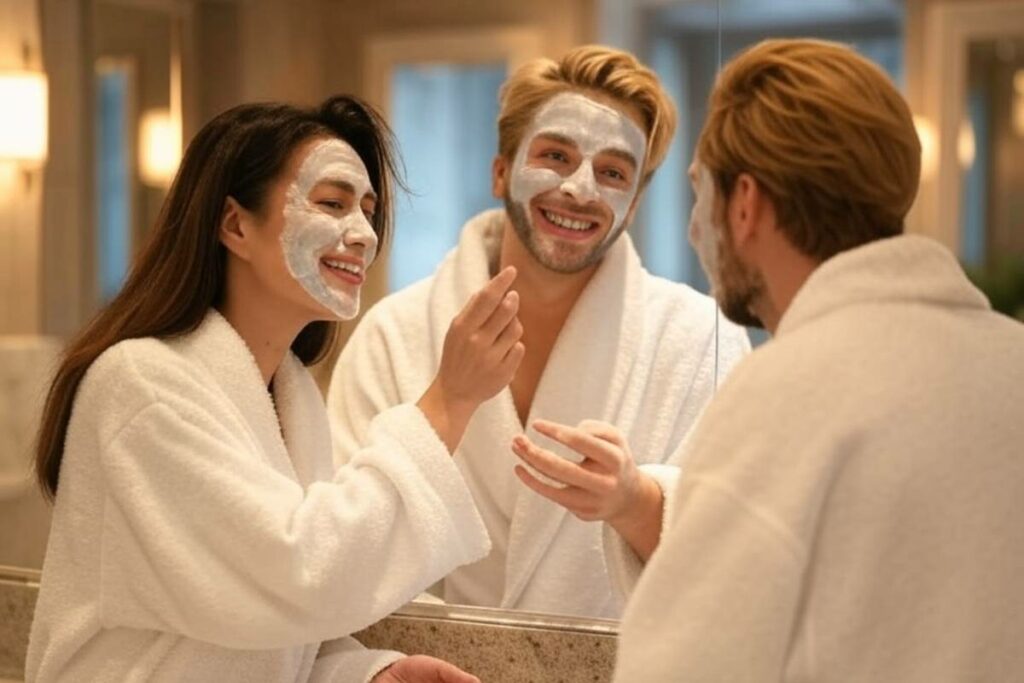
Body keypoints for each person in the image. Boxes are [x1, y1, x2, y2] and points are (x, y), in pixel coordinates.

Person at [563, 39, 1021, 681]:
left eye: (700, 191)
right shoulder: (1012, 363)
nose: (695, 229)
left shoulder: (784, 396)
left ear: (744, 204)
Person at [26, 96, 526, 683]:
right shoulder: (140, 386)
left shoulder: (290, 398)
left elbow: (262, 628)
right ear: (235, 224)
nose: (363, 234)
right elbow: (299, 573)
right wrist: (449, 401)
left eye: (367, 211)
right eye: (333, 203)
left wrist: (364, 675)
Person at [327, 45, 750, 620]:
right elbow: (344, 554)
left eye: (612, 172)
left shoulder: (701, 342)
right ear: (500, 171)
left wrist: (636, 504)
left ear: (633, 203)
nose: (580, 189)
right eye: (556, 155)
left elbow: (739, 567)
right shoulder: (391, 336)